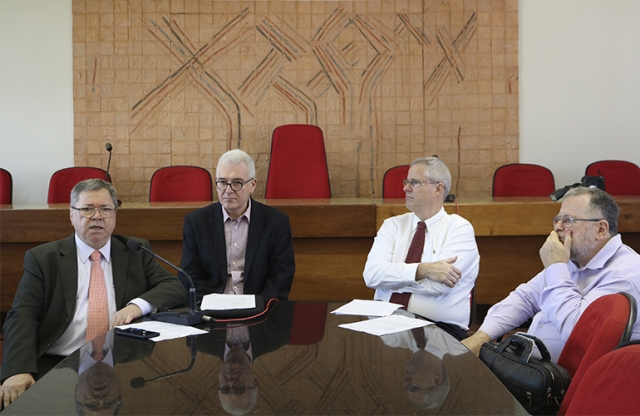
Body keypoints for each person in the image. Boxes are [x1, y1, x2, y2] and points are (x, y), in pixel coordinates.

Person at [0, 179, 187, 409]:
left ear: (114, 215)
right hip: (58, 364)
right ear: (72, 215)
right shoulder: (43, 259)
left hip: (123, 363)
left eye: (105, 209)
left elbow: (174, 286)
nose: (97, 216)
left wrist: (136, 306)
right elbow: (22, 314)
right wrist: (18, 370)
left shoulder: (135, 252)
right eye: (87, 209)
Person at [462, 187, 640, 362]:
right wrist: (481, 338)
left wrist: (556, 266)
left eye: (568, 220)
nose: (557, 228)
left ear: (600, 229)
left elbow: (578, 333)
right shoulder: (575, 259)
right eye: (557, 220)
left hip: (570, 378)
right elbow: (525, 298)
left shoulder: (625, 275)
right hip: (534, 368)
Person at [363, 157, 480, 340]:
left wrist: (390, 280)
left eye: (415, 182)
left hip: (438, 330)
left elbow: (439, 285)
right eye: (406, 182)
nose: (406, 188)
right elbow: (371, 276)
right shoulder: (392, 225)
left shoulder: (459, 228)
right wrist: (423, 270)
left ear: (438, 189)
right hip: (384, 322)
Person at [179, 149, 295, 302]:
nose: (228, 190)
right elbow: (189, 275)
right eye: (222, 182)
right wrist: (210, 305)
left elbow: (281, 276)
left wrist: (258, 306)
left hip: (259, 306)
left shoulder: (276, 222)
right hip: (211, 307)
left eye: (237, 183)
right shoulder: (196, 222)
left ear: (252, 185)